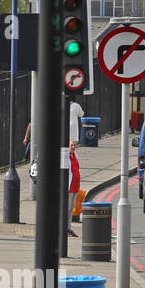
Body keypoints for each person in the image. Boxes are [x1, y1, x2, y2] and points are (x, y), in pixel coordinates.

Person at [67, 100, 83, 237]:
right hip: (68, 187)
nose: (73, 147)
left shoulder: (75, 156)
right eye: (71, 145)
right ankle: (65, 228)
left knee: (71, 208)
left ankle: (68, 227)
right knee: (66, 208)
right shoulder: (65, 157)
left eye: (74, 145)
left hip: (75, 186)